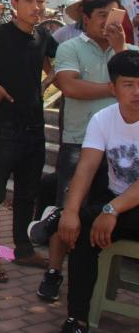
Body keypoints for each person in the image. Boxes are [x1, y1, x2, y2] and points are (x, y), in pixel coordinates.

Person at [31, 0, 135, 301]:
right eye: (102, 14)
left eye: (114, 14)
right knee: (69, 208)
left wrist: (121, 51)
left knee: (100, 211)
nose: (109, 21)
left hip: (122, 147)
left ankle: (89, 279)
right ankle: (54, 271)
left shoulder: (130, 52)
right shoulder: (70, 47)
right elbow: (70, 86)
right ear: (86, 19)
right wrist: (116, 89)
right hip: (80, 141)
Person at [0, 0, 58, 283]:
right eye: (29, 1)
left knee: (27, 194)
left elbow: (57, 65)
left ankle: (23, 249)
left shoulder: (44, 37)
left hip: (35, 128)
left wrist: (50, 81)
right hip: (5, 128)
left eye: (40, 1)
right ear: (14, 2)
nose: (36, 7)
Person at [57, 50, 139, 333]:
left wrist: (111, 210)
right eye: (129, 84)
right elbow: (86, 167)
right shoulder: (103, 119)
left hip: (121, 207)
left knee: (93, 217)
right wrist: (70, 212)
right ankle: (77, 318)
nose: (137, 92)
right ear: (113, 88)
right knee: (78, 230)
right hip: (115, 204)